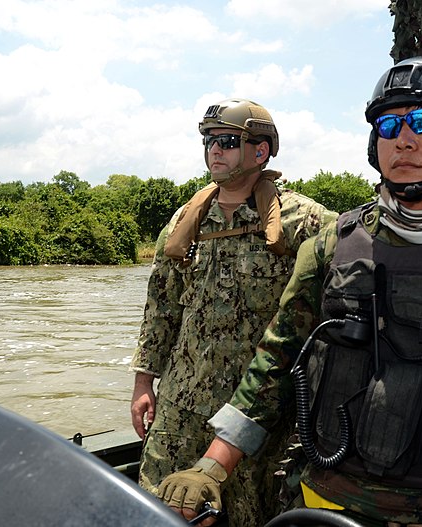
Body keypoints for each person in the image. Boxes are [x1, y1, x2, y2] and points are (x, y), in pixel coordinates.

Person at [156, 56, 422, 527]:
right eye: (389, 124)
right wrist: (212, 464)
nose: (405, 139)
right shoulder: (333, 246)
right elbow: (273, 364)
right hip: (321, 502)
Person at [129, 98, 337, 526]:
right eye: (208, 142)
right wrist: (143, 382)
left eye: (226, 141)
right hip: (180, 407)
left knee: (252, 516)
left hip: (257, 413)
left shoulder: (306, 223)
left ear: (260, 152)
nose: (214, 150)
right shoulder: (186, 222)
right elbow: (161, 309)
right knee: (155, 509)